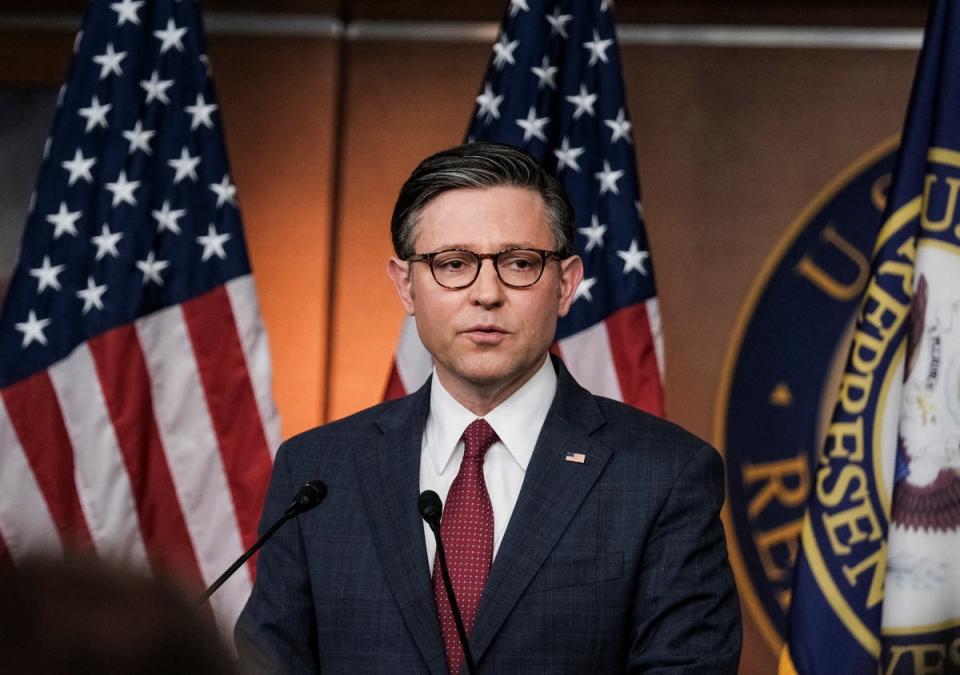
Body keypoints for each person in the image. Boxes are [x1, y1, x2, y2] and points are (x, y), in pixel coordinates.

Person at [235, 142, 741, 673]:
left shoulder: (665, 475)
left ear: (566, 285)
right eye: (453, 264)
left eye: (519, 263)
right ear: (406, 285)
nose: (486, 293)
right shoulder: (317, 472)